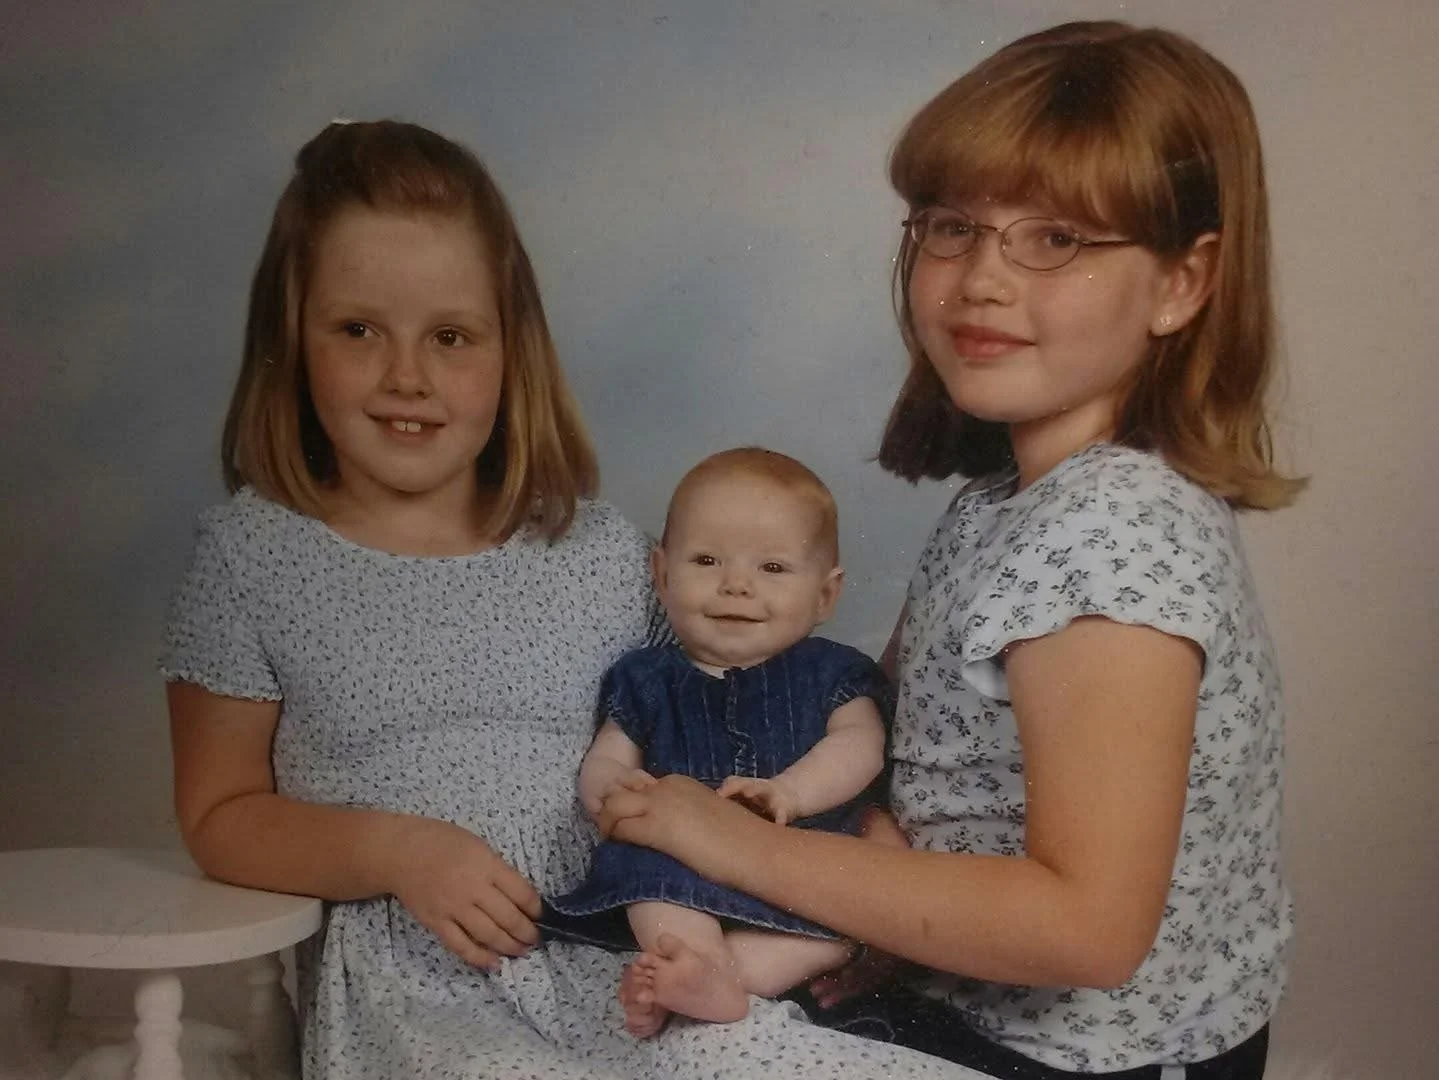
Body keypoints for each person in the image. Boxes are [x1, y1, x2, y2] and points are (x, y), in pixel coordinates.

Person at [162, 120, 971, 1080]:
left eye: (452, 335)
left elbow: (744, 708)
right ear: (289, 340)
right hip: (432, 988)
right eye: (357, 329)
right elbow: (220, 815)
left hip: (639, 966)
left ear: (512, 350)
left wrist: (847, 832)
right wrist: (399, 852)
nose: (407, 376)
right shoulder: (254, 555)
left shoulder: (596, 553)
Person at [596, 21, 1300, 1079]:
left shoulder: (1109, 537)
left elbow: (1085, 931)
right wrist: (872, 868)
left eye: (1055, 237)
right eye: (952, 227)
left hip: (1092, 1058)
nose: (980, 278)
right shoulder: (1003, 504)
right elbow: (893, 728)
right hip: (973, 1001)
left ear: (1178, 285)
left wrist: (747, 848)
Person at [545, 448, 892, 1037]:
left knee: (847, 920)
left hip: (803, 866)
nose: (735, 586)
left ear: (826, 596)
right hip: (681, 867)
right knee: (641, 866)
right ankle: (696, 967)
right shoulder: (646, 678)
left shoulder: (833, 672)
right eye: (706, 560)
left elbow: (862, 745)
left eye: (773, 569)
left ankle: (718, 982)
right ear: (660, 574)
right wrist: (611, 788)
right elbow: (608, 754)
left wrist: (791, 792)